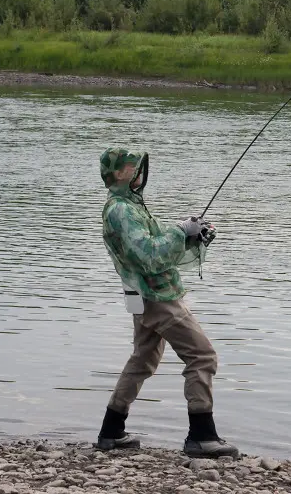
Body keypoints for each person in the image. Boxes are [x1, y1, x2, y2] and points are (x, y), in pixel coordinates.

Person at [95, 147, 238, 459]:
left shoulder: (130, 207)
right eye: (134, 168)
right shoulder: (122, 210)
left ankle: (111, 432)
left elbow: (159, 246)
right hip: (157, 298)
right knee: (202, 356)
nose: (140, 173)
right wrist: (179, 231)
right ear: (119, 174)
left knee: (142, 360)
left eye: (140, 167)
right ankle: (201, 436)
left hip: (140, 297)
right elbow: (149, 256)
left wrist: (192, 235)